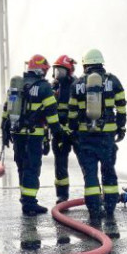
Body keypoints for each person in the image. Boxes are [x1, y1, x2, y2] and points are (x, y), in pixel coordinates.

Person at [67, 48, 127, 221]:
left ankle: (94, 209)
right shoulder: (113, 81)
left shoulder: (77, 84)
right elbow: (121, 107)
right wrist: (121, 128)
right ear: (101, 63)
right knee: (109, 171)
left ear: (85, 65)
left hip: (85, 138)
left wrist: (73, 132)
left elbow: (71, 113)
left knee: (90, 174)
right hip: (107, 138)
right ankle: (110, 208)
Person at [2, 54, 64, 216]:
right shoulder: (44, 87)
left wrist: (4, 130)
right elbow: (51, 114)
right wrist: (57, 133)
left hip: (17, 133)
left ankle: (25, 198)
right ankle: (29, 203)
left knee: (22, 165)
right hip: (33, 134)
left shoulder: (17, 85)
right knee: (32, 167)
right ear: (40, 70)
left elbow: (7, 109)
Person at [51, 55, 77, 203]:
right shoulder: (53, 86)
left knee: (85, 163)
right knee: (60, 164)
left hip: (75, 131)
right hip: (59, 132)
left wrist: (70, 129)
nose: (57, 74)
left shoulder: (76, 85)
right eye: (56, 70)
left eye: (60, 70)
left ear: (68, 71)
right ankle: (62, 195)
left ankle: (92, 193)